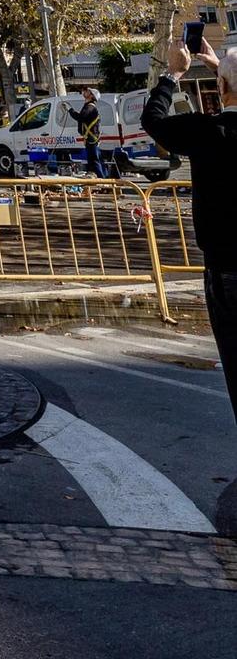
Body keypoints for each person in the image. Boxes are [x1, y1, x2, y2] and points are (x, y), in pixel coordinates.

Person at [142, 35, 237, 425]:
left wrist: (174, 73)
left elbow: (154, 120)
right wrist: (222, 69)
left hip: (227, 269)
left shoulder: (207, 133)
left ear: (221, 89)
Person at [70, 85, 105, 178]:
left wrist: (70, 111)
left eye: (88, 91)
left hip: (92, 139)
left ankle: (104, 181)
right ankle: (98, 180)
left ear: (91, 96)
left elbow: (81, 118)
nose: (85, 92)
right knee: (93, 161)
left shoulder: (90, 107)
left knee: (95, 161)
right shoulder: (88, 106)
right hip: (90, 138)